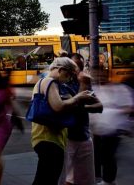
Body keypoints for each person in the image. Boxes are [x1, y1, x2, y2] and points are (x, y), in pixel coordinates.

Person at [30, 57, 94, 185]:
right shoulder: (50, 81)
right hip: (49, 139)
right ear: (60, 70)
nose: (70, 78)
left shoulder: (45, 82)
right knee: (48, 179)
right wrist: (78, 97)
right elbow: (58, 106)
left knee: (44, 178)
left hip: (47, 139)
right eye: (69, 74)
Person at [62, 53, 102, 185]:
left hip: (84, 137)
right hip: (66, 138)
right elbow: (69, 108)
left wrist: (82, 107)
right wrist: (83, 86)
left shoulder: (85, 83)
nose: (78, 69)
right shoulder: (62, 85)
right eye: (75, 66)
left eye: (80, 65)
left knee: (86, 179)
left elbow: (99, 106)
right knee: (67, 179)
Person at [91, 78, 134, 185]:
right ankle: (105, 179)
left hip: (114, 128)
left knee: (108, 156)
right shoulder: (97, 89)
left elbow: (129, 108)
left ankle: (109, 180)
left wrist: (112, 112)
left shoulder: (121, 89)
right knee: (102, 156)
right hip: (100, 129)